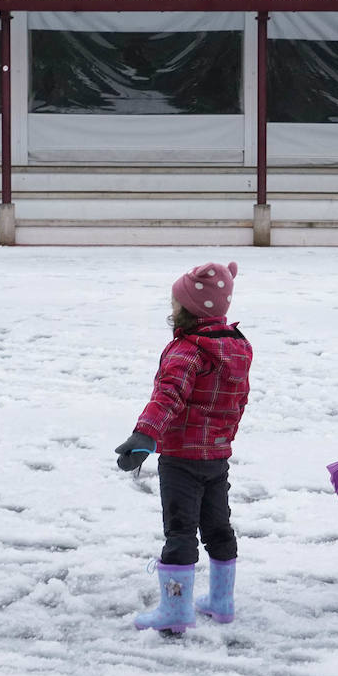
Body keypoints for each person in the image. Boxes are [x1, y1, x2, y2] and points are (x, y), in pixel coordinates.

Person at [114, 262, 253, 634]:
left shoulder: (187, 350)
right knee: (218, 528)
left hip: (182, 458)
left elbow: (168, 397)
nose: (172, 307)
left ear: (188, 308)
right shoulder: (238, 347)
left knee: (180, 532)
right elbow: (238, 399)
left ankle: (175, 608)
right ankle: (222, 602)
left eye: (175, 301)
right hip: (217, 455)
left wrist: (145, 435)